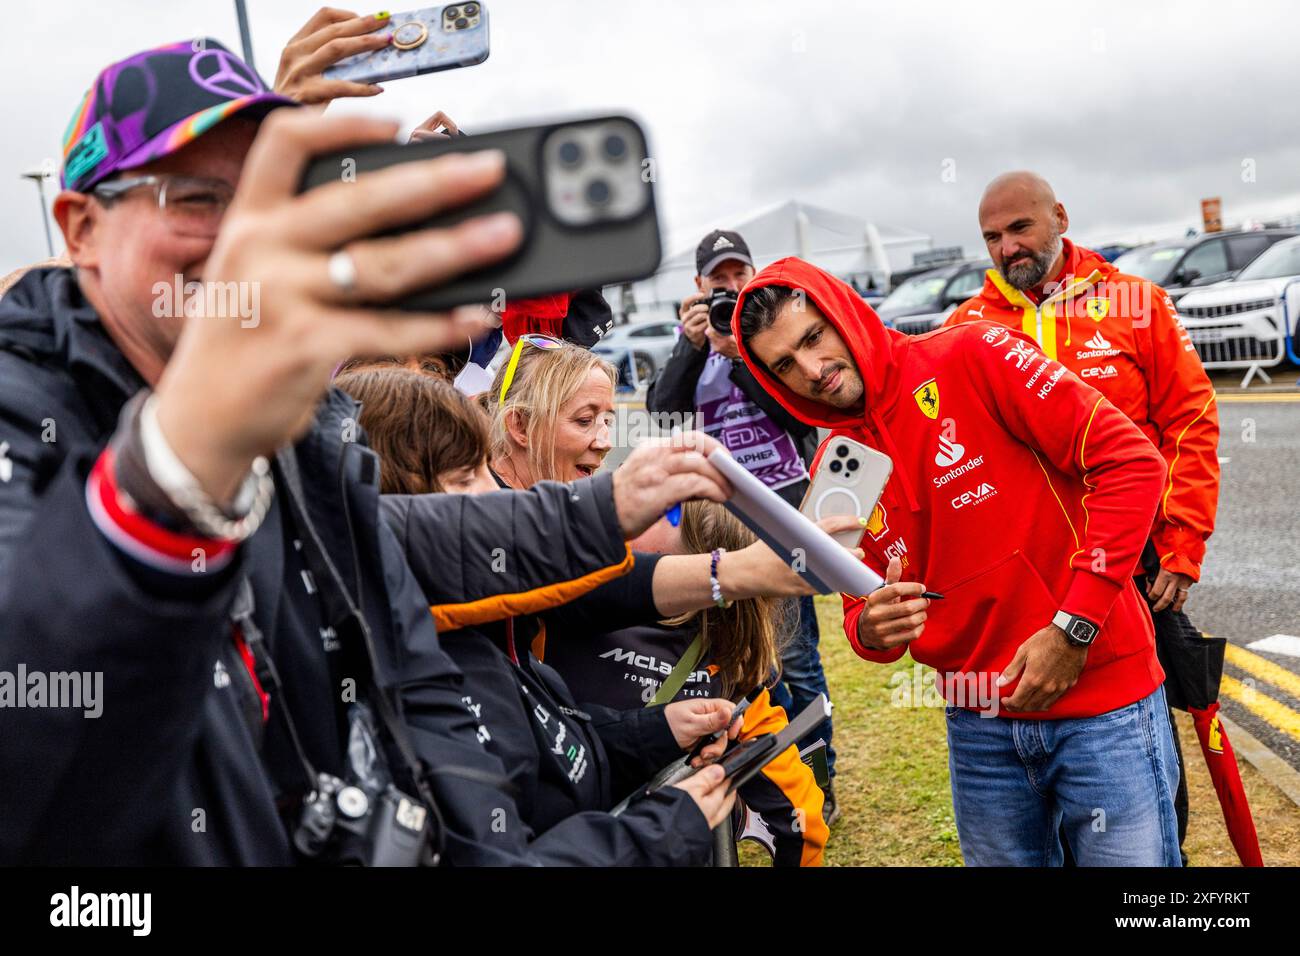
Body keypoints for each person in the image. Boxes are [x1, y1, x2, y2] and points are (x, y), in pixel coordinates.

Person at [0, 37, 738, 865]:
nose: (242, 242)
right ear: (81, 227)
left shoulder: (299, 410)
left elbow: (386, 570)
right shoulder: (27, 409)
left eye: (265, 204)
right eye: (197, 198)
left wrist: (598, 508)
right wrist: (180, 467)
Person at [732, 257, 1182, 867]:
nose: (812, 370)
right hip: (979, 727)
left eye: (813, 337)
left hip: (1101, 704)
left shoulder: (974, 353)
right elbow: (863, 619)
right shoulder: (837, 470)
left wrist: (1073, 628)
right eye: (785, 364)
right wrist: (871, 626)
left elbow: (1131, 463)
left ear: (843, 315)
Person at [338, 363, 833, 865]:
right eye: (466, 477)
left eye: (608, 420)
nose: (494, 496)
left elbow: (555, 745)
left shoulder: (469, 618)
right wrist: (661, 830)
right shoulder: (415, 675)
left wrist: (653, 734)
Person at [943, 171, 1223, 860]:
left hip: (1134, 557)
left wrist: (1182, 545)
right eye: (992, 237)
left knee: (1143, 734)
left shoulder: (1135, 303)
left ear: (1059, 217)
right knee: (1036, 728)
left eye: (1020, 228)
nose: (1007, 247)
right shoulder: (966, 327)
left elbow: (1191, 422)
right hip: (1030, 569)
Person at [647, 230, 840, 815]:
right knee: (726, 656)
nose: (730, 290)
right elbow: (663, 416)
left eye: (740, 276)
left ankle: (816, 784)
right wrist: (691, 345)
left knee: (794, 656)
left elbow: (797, 407)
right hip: (712, 525)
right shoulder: (692, 344)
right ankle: (754, 788)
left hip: (781, 515)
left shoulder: (772, 341)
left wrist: (739, 354)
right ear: (700, 288)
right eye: (719, 281)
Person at [545, 500, 832, 866]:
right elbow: (801, 818)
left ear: (697, 560)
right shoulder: (733, 657)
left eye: (666, 513)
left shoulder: (564, 606)